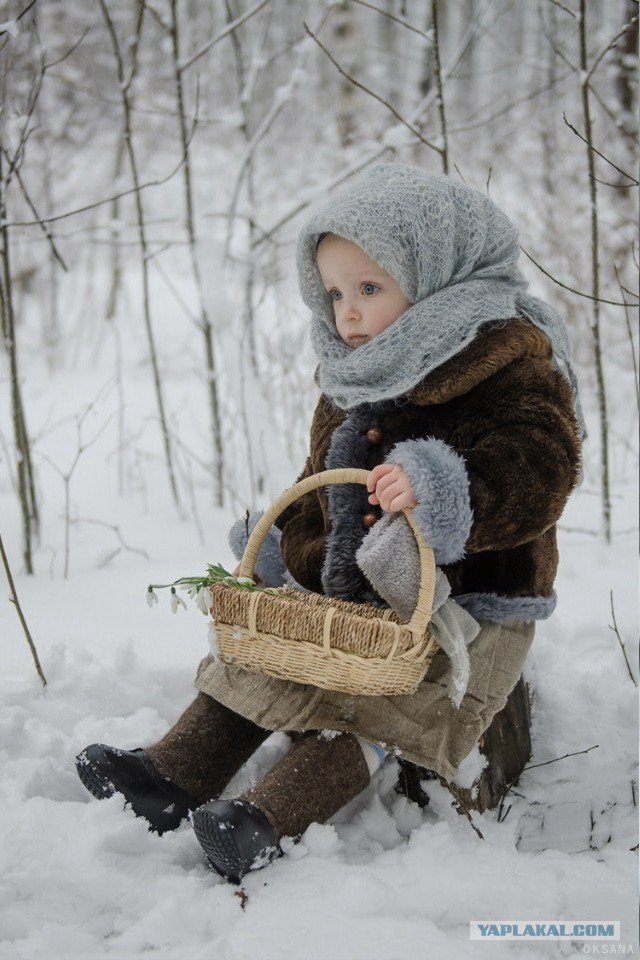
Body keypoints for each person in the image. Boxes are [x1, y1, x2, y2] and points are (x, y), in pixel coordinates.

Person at [76, 163, 583, 884]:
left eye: (369, 289)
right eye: (336, 293)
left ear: (437, 276)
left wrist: (444, 491)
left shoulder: (505, 361)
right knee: (267, 657)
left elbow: (542, 464)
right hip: (356, 594)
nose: (346, 313)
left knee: (391, 708)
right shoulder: (353, 374)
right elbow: (323, 486)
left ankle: (265, 820)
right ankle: (170, 774)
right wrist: (297, 550)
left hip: (467, 602)